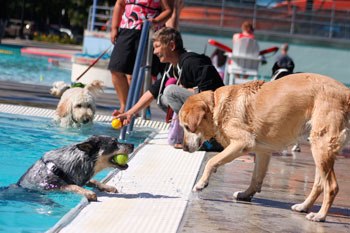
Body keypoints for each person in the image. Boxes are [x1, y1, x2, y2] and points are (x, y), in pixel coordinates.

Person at [115, 27, 224, 149]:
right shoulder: (173, 67)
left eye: (157, 46)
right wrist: (129, 113)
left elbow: (211, 94)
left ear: (171, 45)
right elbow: (152, 92)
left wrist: (185, 90)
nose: (154, 52)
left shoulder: (192, 62)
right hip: (202, 109)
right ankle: (192, 133)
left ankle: (208, 138)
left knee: (170, 92)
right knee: (163, 99)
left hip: (217, 112)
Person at [108, 0, 173, 115]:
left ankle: (133, 109)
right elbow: (119, 4)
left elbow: (168, 10)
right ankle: (125, 106)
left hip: (148, 31)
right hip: (127, 28)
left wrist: (157, 21)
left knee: (138, 74)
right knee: (116, 69)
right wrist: (114, 28)